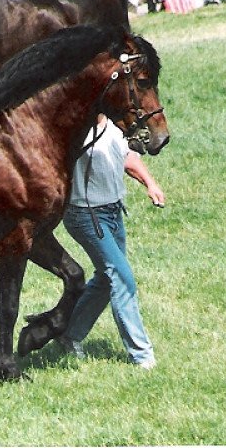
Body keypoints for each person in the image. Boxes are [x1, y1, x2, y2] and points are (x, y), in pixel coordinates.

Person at [58, 114, 165, 370]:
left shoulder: (115, 126)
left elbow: (127, 157)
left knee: (107, 280)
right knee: (122, 277)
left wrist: (150, 183)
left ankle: (68, 335)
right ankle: (142, 356)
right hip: (85, 214)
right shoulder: (75, 128)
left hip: (113, 212)